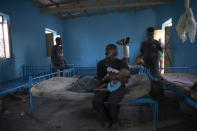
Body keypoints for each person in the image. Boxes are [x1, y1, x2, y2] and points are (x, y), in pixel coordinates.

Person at [92, 44, 129, 128]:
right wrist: (106, 79)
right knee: (96, 101)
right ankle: (107, 119)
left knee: (112, 102)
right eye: (112, 55)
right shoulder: (100, 64)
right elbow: (100, 80)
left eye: (115, 55)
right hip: (106, 86)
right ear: (107, 53)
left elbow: (127, 79)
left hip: (119, 87)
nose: (113, 57)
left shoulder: (121, 63)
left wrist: (118, 77)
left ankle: (115, 121)